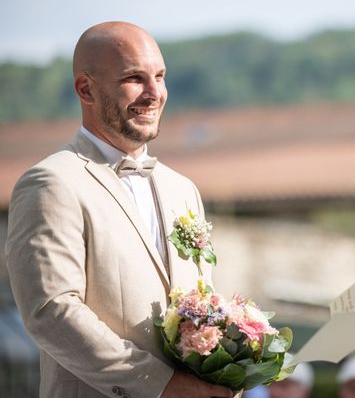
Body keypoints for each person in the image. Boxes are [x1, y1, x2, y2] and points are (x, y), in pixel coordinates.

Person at [5, 22, 232, 398]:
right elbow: (51, 310)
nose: (154, 93)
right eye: (134, 78)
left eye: (159, 76)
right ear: (85, 89)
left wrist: (232, 364)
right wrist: (160, 385)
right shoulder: (50, 183)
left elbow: (200, 306)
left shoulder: (183, 190)